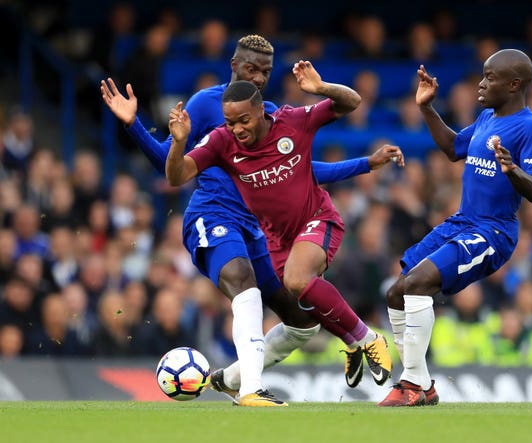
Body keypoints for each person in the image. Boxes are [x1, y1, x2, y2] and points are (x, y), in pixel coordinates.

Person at [101, 35, 400, 406]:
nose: (258, 77)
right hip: (213, 214)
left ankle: (233, 378)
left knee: (303, 322)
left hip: (256, 226)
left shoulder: (271, 115)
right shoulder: (206, 107)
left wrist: (364, 164)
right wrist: (135, 125)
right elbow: (169, 166)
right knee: (245, 285)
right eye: (251, 69)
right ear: (234, 65)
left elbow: (300, 172)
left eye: (265, 72)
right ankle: (252, 391)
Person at [379, 49, 532, 406]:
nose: (481, 85)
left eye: (490, 78)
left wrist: (514, 170)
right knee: (396, 292)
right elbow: (453, 147)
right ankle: (420, 383)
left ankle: (410, 383)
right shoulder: (487, 117)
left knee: (420, 283)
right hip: (463, 221)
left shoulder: (531, 127)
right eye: (483, 76)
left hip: (493, 232)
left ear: (514, 84)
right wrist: (426, 107)